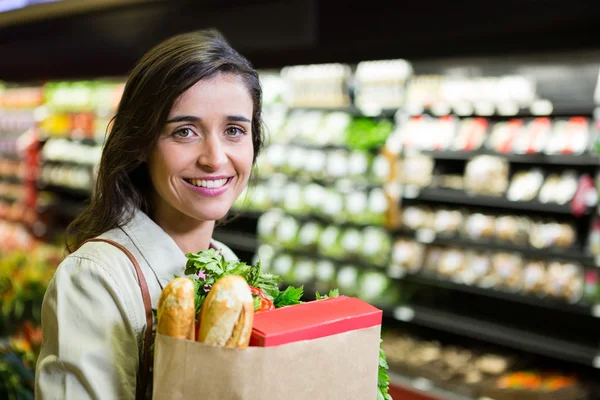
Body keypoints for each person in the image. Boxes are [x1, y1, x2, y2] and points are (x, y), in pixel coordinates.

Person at [35, 29, 264, 400]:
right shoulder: (95, 279)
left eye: (235, 130)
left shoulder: (227, 264)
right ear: (141, 146)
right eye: (185, 132)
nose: (215, 158)